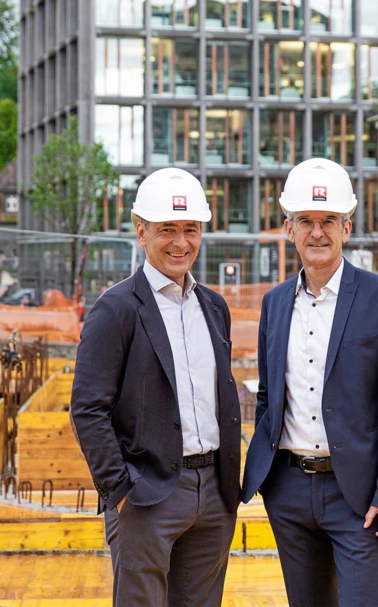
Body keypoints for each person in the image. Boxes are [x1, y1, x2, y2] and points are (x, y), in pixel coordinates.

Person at [242, 158, 378, 607]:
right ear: (289, 228)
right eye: (306, 221)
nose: (316, 232)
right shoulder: (275, 303)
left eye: (328, 222)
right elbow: (269, 396)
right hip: (289, 490)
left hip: (358, 496)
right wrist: (268, 481)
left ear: (346, 226)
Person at [70, 168, 241, 607]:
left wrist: (226, 488)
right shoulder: (116, 309)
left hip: (214, 494)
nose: (180, 242)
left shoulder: (213, 307)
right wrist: (120, 489)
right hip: (146, 494)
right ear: (140, 230)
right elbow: (88, 409)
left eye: (190, 229)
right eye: (167, 229)